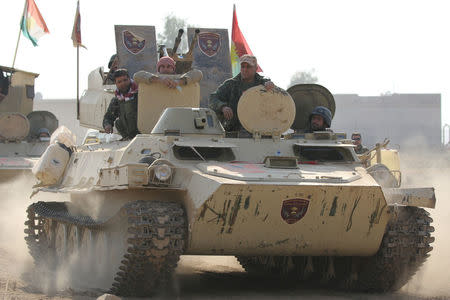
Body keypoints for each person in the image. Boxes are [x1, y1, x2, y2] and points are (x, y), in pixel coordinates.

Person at [209, 54, 275, 133]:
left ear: (256, 68)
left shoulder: (263, 83)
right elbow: (213, 98)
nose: (245, 69)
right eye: (243, 67)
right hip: (234, 130)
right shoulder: (231, 84)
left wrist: (269, 84)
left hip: (259, 130)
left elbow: (276, 98)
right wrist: (223, 107)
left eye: (248, 67)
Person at [103, 68, 139, 140]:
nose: (123, 83)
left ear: (129, 79)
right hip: (127, 137)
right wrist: (107, 125)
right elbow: (108, 117)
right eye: (119, 82)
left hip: (142, 135)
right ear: (116, 84)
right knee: (118, 122)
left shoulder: (139, 95)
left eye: (125, 80)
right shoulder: (117, 100)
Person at [133, 56, 202, 88]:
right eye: (162, 66)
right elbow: (137, 76)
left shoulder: (179, 77)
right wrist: (160, 80)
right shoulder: (154, 77)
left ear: (173, 69)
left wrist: (178, 82)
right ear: (158, 69)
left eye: (169, 66)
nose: (165, 68)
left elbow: (198, 74)